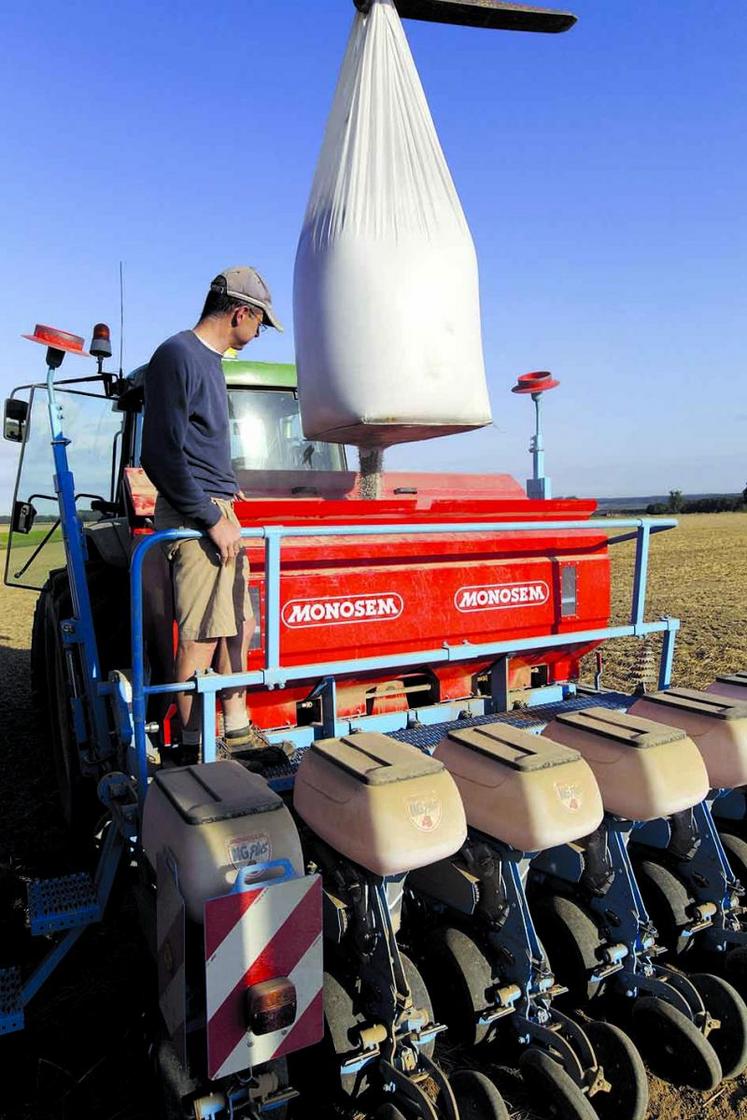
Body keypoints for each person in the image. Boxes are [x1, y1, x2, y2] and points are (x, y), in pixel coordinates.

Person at [141, 267, 282, 756]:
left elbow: (197, 444)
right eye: (260, 321)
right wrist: (210, 515)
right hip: (196, 518)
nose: (260, 332)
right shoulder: (176, 356)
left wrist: (227, 488)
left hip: (216, 506)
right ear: (240, 312)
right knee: (200, 637)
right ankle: (193, 747)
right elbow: (159, 454)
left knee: (236, 625)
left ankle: (238, 732)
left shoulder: (208, 363)